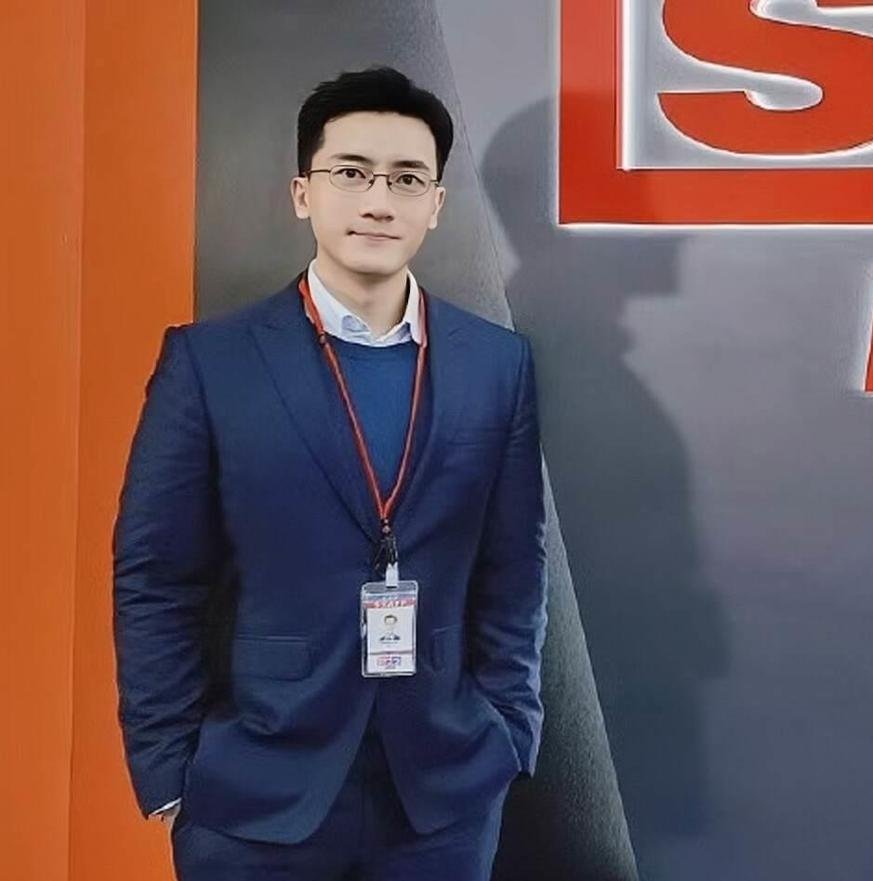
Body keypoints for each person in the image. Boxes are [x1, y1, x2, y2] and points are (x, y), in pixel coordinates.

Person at [112, 66, 547, 881]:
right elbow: (156, 573)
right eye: (351, 172)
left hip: (443, 795)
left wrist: (509, 730)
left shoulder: (497, 366)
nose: (378, 200)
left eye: (406, 179)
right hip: (254, 790)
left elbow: (514, 568)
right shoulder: (211, 363)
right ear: (302, 193)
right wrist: (169, 768)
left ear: (436, 204)